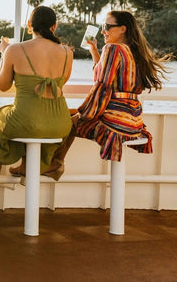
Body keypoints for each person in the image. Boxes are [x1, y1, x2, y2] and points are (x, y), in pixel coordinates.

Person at [47, 10, 171, 173]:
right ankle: (56, 163)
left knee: (65, 120)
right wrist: (94, 51)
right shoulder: (133, 51)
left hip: (116, 123)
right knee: (70, 116)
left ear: (123, 29)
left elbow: (102, 87)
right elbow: (105, 75)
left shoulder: (112, 48)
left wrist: (84, 115)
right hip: (133, 122)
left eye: (107, 26)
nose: (103, 31)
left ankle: (54, 163)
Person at [0, 5, 73, 191]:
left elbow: (3, 86)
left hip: (28, 122)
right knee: (34, 115)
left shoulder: (14, 50)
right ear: (54, 26)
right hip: (60, 123)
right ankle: (27, 167)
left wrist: (4, 54)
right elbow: (62, 82)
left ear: (29, 25)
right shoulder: (67, 52)